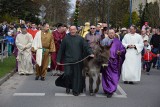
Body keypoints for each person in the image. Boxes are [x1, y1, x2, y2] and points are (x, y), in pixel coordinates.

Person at [56, 26, 94, 96]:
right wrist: (58, 60)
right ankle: (67, 85)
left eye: (74, 29)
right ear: (69, 30)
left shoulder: (80, 39)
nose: (72, 31)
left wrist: (90, 53)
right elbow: (61, 50)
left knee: (76, 76)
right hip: (68, 60)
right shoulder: (65, 39)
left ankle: (75, 90)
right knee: (67, 74)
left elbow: (86, 47)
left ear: (76, 30)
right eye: (71, 29)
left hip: (78, 61)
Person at [102, 29, 126, 98]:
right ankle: (107, 89)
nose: (111, 34)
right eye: (110, 33)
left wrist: (120, 52)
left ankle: (111, 90)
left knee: (114, 77)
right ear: (108, 33)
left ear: (114, 34)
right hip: (106, 62)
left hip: (114, 62)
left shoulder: (117, 41)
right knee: (106, 76)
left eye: (112, 33)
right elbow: (101, 50)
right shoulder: (104, 41)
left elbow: (123, 49)